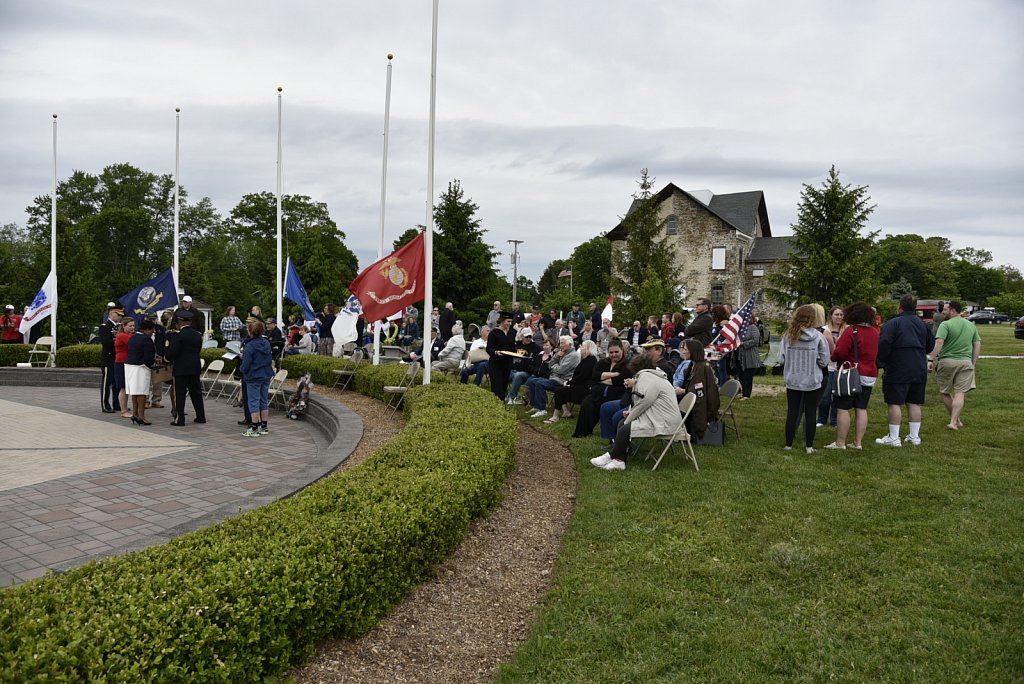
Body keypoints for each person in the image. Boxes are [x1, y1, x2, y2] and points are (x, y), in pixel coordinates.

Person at [589, 353, 681, 472]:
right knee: (622, 423)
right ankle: (619, 461)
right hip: (661, 417)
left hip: (664, 421)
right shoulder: (652, 375)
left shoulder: (647, 377)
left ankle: (610, 456)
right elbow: (645, 400)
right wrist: (630, 412)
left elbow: (645, 401)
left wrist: (631, 415)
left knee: (625, 427)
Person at [874, 294, 935, 447]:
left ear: (900, 306)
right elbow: (930, 345)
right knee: (914, 402)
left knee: (894, 402)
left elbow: (884, 343)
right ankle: (914, 436)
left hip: (898, 366)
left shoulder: (893, 323)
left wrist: (880, 362)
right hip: (918, 365)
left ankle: (894, 437)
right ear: (915, 308)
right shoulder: (923, 325)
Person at [824, 301, 880, 450]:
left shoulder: (851, 331)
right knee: (861, 408)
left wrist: (834, 356)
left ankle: (840, 442)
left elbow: (840, 353)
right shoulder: (875, 332)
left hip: (850, 373)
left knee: (843, 407)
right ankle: (858, 442)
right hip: (869, 374)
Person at [778, 304, 831, 454]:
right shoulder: (819, 337)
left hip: (793, 379)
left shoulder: (788, 336)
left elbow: (781, 359)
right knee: (810, 413)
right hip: (812, 380)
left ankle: (788, 445)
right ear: (813, 319)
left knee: (792, 412)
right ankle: (809, 447)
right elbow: (824, 361)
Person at [929, 300, 981, 432]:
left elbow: (939, 343)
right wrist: (973, 363)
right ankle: (955, 421)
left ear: (952, 310)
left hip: (947, 362)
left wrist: (930, 359)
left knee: (945, 392)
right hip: (965, 363)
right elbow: (977, 344)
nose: (943, 312)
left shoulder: (945, 324)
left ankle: (954, 421)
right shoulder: (970, 325)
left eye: (945, 309)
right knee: (960, 393)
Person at [573, 339, 629, 437]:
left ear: (622, 350)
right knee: (587, 404)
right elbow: (594, 376)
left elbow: (621, 380)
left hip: (616, 394)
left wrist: (602, 379)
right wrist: (614, 374)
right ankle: (583, 432)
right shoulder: (603, 362)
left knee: (606, 405)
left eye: (616, 352)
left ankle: (609, 435)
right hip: (598, 392)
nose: (614, 355)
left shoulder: (627, 364)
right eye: (611, 352)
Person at [671, 338, 721, 441]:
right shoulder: (693, 365)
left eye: (685, 349)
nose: (682, 351)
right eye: (682, 348)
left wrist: (683, 391)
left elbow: (699, 390)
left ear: (692, 350)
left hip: (702, 405)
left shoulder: (702, 368)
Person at [164, 310, 206, 426]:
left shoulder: (178, 336)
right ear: (191, 321)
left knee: (180, 394)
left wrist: (165, 359)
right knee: (196, 393)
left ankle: (180, 419)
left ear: (179, 322)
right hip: (194, 367)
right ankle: (201, 416)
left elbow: (173, 351)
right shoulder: (197, 335)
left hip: (181, 368)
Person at [525, 335, 580, 419]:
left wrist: (554, 366)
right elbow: (550, 364)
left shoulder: (573, 356)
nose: (560, 345)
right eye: (560, 343)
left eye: (562, 343)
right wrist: (556, 356)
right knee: (532, 381)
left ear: (569, 344)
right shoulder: (562, 352)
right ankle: (536, 406)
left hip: (562, 381)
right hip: (554, 377)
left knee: (540, 383)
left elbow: (560, 370)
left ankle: (542, 409)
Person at [546, 339, 598, 424]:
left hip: (585, 389)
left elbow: (582, 377)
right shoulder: (586, 360)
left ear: (588, 348)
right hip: (580, 385)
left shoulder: (591, 360)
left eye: (582, 346)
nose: (580, 347)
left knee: (559, 390)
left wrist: (569, 382)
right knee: (559, 389)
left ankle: (556, 416)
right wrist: (570, 382)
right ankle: (566, 412)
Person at [239, 318, 274, 436]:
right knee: (264, 400)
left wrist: (242, 366)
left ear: (250, 331)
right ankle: (264, 426)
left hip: (253, 375)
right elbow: (269, 359)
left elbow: (246, 364)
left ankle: (254, 427)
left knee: (253, 401)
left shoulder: (250, 346)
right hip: (266, 374)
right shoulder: (266, 343)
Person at [816, 306, 847, 427]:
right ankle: (822, 419)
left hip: (841, 367)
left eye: (841, 315)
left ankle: (834, 420)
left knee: (837, 395)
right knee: (825, 395)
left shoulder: (847, 329)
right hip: (827, 366)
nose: (839, 317)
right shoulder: (823, 330)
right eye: (837, 314)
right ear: (831, 316)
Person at [124, 318, 157, 425]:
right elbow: (148, 358)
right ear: (146, 329)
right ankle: (141, 416)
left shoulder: (133, 337)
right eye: (152, 330)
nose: (152, 332)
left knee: (134, 391)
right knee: (142, 392)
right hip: (140, 367)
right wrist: (152, 365)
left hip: (130, 366)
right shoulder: (146, 340)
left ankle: (135, 414)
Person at [505, 330, 545, 403]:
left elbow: (538, 359)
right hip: (513, 368)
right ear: (522, 337)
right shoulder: (517, 344)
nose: (528, 338)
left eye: (530, 336)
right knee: (502, 372)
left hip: (525, 372)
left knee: (518, 375)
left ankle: (512, 397)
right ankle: (504, 395)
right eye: (526, 337)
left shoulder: (535, 347)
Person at [98, 306, 123, 413]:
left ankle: (117, 404)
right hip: (108, 358)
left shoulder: (120, 327)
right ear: (112, 314)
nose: (120, 317)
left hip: (117, 358)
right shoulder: (105, 327)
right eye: (118, 315)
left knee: (116, 383)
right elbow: (106, 342)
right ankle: (105, 404)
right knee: (107, 384)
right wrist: (118, 342)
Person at [486, 312, 516, 399]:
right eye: (508, 321)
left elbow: (512, 348)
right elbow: (489, 349)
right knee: (497, 388)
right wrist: (496, 352)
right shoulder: (494, 333)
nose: (510, 324)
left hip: (507, 364)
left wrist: (518, 353)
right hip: (496, 364)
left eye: (511, 322)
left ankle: (502, 406)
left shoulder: (511, 333)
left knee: (504, 387)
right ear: (502, 321)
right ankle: (497, 406)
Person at [734, 316, 762, 399]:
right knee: (741, 375)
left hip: (750, 355)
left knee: (748, 375)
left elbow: (755, 340)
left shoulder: (753, 327)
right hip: (740, 355)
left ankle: (747, 394)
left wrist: (743, 344)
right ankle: (743, 392)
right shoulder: (740, 328)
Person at [113, 317, 136, 418]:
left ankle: (125, 409)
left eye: (133, 325)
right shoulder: (122, 336)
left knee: (126, 388)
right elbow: (134, 343)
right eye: (130, 326)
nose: (132, 328)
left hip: (127, 363)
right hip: (121, 363)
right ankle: (123, 411)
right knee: (123, 388)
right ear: (124, 326)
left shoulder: (129, 335)